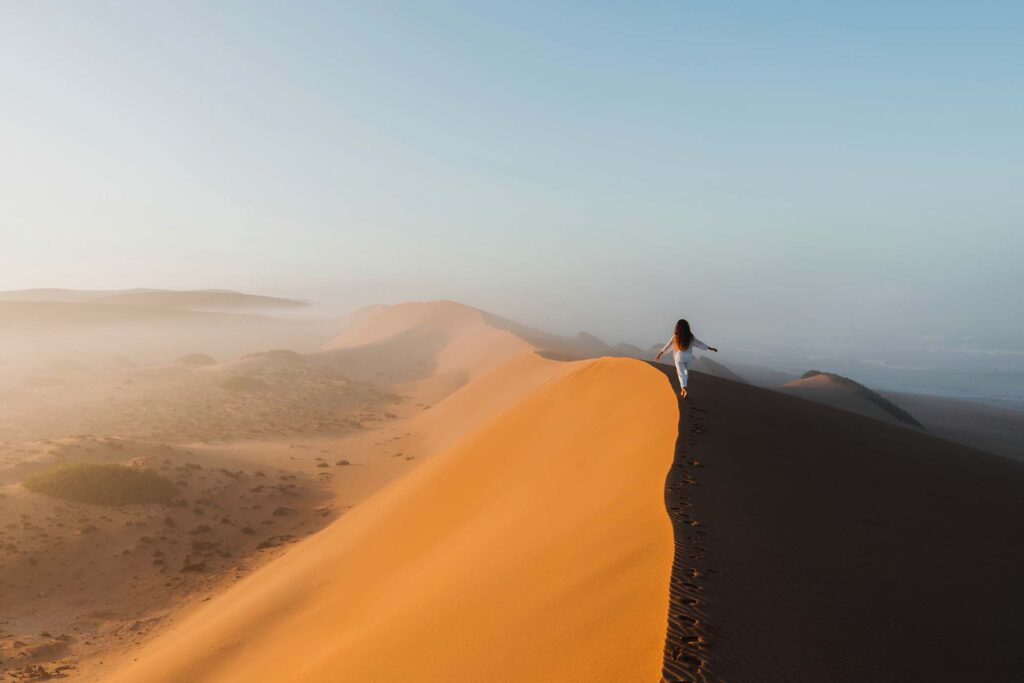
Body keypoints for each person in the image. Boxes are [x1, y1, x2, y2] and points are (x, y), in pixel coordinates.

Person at [655, 319, 718, 398]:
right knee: (685, 373)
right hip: (688, 358)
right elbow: (699, 343)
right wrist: (709, 348)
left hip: (679, 357)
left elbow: (668, 346)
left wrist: (661, 353)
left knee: (681, 374)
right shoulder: (690, 336)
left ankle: (683, 389)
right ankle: (683, 389)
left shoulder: (676, 336)